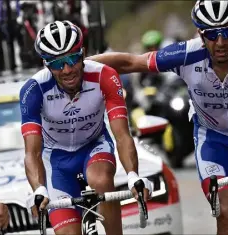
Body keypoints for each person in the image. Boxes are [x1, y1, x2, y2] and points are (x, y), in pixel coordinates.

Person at [86, 1, 228, 234]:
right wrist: (80, 65)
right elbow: (132, 62)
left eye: (227, 32)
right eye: (212, 34)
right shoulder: (186, 54)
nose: (220, 42)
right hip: (214, 140)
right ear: (200, 35)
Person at [19, 20, 152, 235]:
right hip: (55, 160)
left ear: (83, 53)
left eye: (72, 58)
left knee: (100, 180)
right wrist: (39, 189)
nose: (67, 69)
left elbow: (122, 135)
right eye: (57, 63)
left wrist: (133, 175)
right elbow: (32, 151)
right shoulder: (33, 90)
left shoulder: (104, 76)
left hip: (94, 146)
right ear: (46, 65)